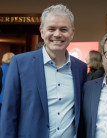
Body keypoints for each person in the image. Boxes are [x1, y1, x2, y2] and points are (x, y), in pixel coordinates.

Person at [0, 4, 87, 138]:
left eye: (63, 29)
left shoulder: (80, 68)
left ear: (72, 33)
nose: (57, 34)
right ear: (42, 31)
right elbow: (9, 114)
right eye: (51, 28)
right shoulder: (19, 63)